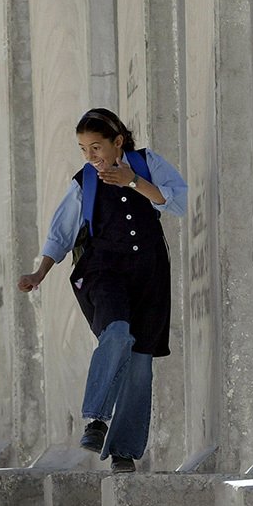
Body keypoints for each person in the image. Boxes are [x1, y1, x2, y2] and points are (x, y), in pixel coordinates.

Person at [17, 108, 188, 473]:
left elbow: (177, 202)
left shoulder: (146, 164)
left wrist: (131, 181)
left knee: (140, 363)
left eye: (96, 147)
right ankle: (96, 420)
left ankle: (124, 451)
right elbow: (60, 232)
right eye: (83, 149)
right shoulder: (84, 182)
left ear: (117, 143)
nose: (91, 156)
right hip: (103, 270)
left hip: (150, 272)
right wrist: (40, 272)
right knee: (117, 332)